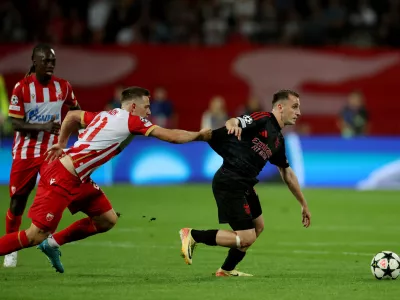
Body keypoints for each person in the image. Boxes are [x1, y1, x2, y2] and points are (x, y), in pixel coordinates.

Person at [0, 86, 211, 273]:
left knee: (106, 219)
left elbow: (73, 115)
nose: (149, 111)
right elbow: (170, 135)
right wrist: (199, 136)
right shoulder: (132, 120)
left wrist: (62, 143)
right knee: (35, 234)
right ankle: (39, 242)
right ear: (133, 107)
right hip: (61, 176)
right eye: (146, 107)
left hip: (78, 177)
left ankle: (52, 244)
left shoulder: (106, 115)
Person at [179, 89, 311, 277]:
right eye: (295, 107)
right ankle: (192, 235)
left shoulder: (278, 140)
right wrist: (233, 124)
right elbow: (236, 121)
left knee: (258, 227)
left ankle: (226, 269)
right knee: (245, 238)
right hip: (230, 181)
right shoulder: (263, 119)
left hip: (245, 184)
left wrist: (303, 203)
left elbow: (286, 172)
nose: (299, 112)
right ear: (280, 107)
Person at [4, 44, 80, 268]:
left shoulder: (63, 86)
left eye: (52, 62)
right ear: (34, 61)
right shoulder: (22, 87)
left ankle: (48, 242)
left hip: (52, 153)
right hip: (25, 153)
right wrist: (45, 125)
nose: (49, 65)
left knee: (55, 198)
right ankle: (11, 250)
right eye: (45, 61)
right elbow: (15, 123)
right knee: (18, 200)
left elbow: (76, 110)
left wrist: (80, 129)